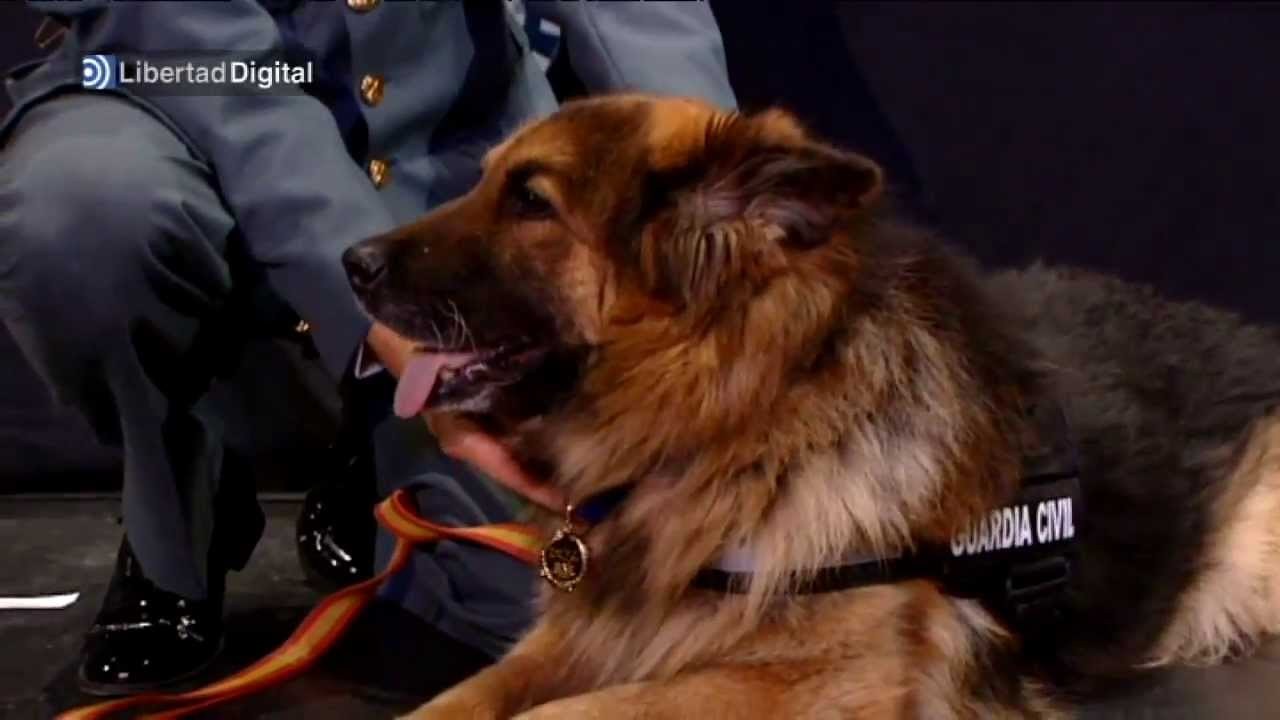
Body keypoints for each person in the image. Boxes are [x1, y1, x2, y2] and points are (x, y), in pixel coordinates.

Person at [0, 0, 736, 695]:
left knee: (534, 621)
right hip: (180, 93)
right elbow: (224, 76)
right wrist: (402, 339)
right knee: (83, 215)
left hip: (443, 148)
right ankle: (180, 506)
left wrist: (718, 209)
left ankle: (370, 461)